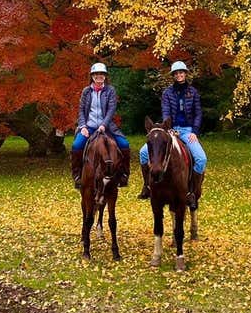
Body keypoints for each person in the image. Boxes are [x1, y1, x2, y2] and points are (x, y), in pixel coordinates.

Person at [138, 61, 206, 210]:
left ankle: (192, 193)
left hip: (188, 130)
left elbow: (198, 113)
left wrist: (194, 131)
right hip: (170, 129)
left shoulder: (193, 92)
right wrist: (168, 128)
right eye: (176, 73)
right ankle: (147, 186)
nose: (179, 75)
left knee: (201, 159)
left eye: (181, 73)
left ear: (185, 74)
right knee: (143, 153)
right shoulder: (167, 93)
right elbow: (166, 112)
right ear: (173, 76)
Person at [70, 62, 131, 189]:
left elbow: (111, 110)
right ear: (92, 76)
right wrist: (83, 127)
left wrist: (103, 125)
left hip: (107, 127)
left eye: (101, 74)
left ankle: (123, 174)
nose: (99, 77)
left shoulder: (110, 90)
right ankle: (77, 175)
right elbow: (81, 110)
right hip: (90, 127)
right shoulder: (86, 91)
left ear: (105, 76)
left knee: (124, 144)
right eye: (96, 74)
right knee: (76, 145)